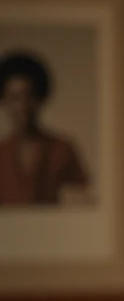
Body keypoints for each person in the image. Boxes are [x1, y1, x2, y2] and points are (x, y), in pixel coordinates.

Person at [0, 50, 91, 206]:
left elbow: (81, 203)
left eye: (29, 96)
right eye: (15, 97)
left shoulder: (63, 149)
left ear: (40, 97)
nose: (22, 106)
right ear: (4, 100)